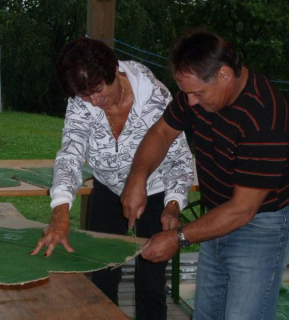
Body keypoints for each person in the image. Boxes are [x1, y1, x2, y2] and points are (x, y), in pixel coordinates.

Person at [121, 29, 289, 320]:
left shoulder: (264, 115)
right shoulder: (198, 94)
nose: (192, 102)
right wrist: (137, 178)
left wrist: (178, 237)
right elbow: (161, 133)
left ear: (224, 74)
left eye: (198, 93)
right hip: (217, 215)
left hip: (260, 226)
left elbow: (243, 210)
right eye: (187, 94)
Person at [30, 37, 194, 320]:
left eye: (97, 90)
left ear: (114, 70)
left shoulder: (156, 98)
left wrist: (173, 205)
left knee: (151, 285)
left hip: (156, 194)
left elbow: (180, 160)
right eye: (85, 96)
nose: (94, 101)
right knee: (102, 277)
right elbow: (70, 154)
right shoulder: (81, 102)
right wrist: (60, 211)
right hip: (106, 189)